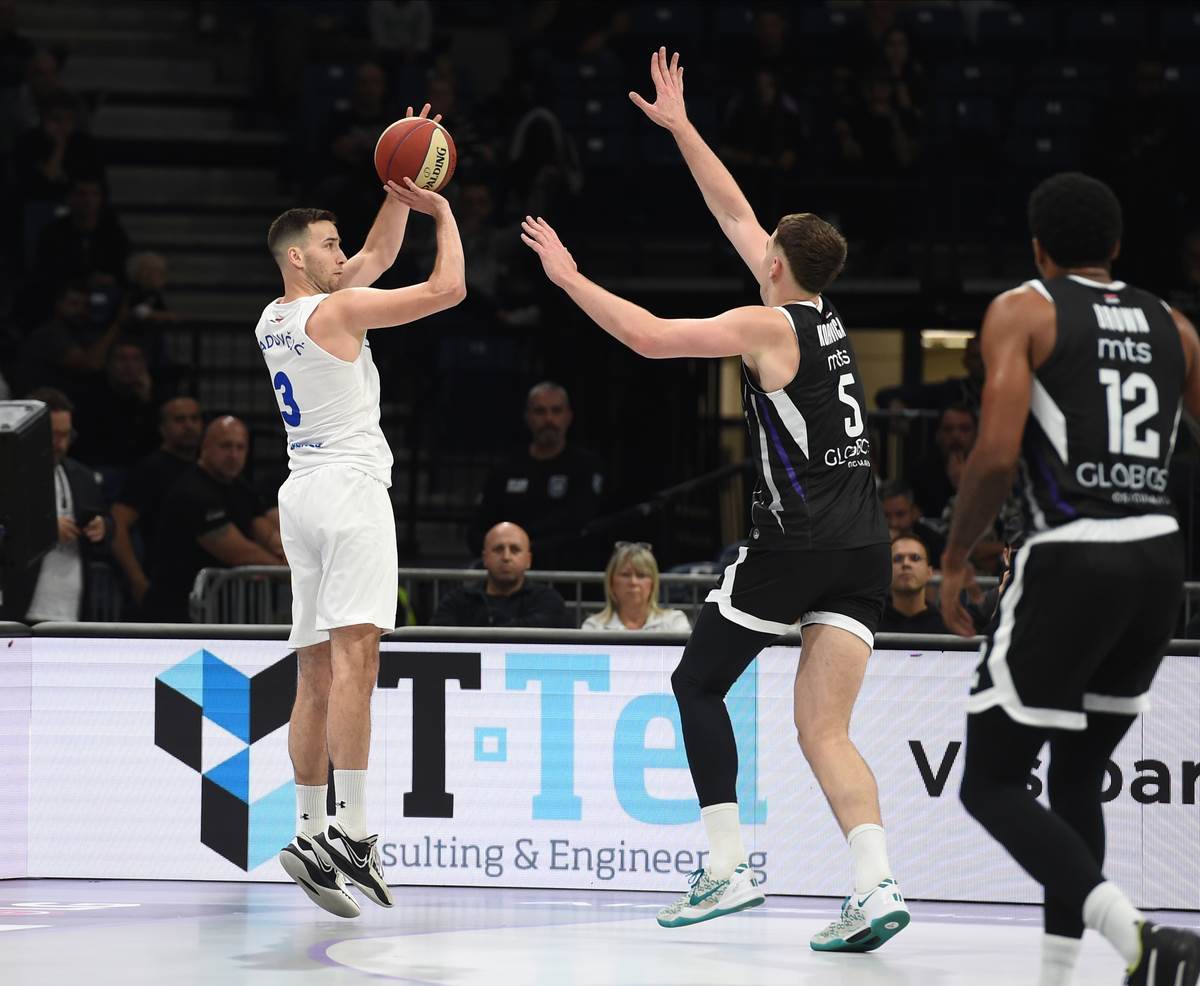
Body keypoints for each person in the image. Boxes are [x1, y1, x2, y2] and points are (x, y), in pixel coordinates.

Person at [521, 48, 906, 949]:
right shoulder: (822, 315)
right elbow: (731, 207)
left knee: (696, 684)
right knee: (825, 732)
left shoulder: (764, 323)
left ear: (775, 262)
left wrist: (571, 279)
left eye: (762, 241)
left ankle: (727, 870)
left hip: (800, 539)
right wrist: (681, 126)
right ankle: (876, 884)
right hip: (862, 548)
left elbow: (652, 339)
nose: (752, 239)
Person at [940, 172, 1200, 986]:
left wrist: (954, 558)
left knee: (987, 780)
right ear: (1117, 248)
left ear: (1038, 250)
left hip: (1073, 552)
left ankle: (1137, 935)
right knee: (1078, 774)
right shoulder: (1176, 327)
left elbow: (994, 452)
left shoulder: (1026, 308)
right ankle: (1059, 972)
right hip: (1159, 556)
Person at [262, 103, 466, 921]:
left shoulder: (274, 318)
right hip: (347, 491)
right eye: (329, 245)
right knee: (359, 661)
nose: (343, 254)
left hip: (298, 494)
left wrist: (398, 186)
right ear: (295, 256)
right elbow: (447, 288)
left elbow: (378, 252)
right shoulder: (337, 311)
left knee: (313, 672)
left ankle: (309, 831)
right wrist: (443, 210)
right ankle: (353, 828)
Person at [141, 415, 284, 623]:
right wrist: (287, 571)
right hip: (179, 614)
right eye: (226, 446)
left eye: (240, 447)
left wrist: (283, 551)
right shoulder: (192, 491)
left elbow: (264, 530)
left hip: (220, 613)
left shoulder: (240, 488)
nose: (234, 455)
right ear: (205, 447)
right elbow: (241, 554)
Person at [470, 381, 606, 571]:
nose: (549, 419)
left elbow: (577, 520)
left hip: (565, 572)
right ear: (528, 417)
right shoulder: (506, 468)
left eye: (556, 411)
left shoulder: (585, 465)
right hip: (509, 574)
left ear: (569, 416)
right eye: (540, 411)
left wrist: (522, 541)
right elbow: (479, 527)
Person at [22, 387, 109, 623]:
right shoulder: (9, 474)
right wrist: (46, 527)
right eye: (53, 435)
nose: (60, 444)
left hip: (72, 608)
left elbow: (107, 523)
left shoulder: (81, 475)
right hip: (21, 607)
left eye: (66, 435)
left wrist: (102, 527)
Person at [110, 396, 203, 611]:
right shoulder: (151, 469)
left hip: (202, 588)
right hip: (163, 586)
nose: (189, 425)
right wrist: (136, 578)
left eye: (194, 418)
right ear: (163, 428)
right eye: (180, 419)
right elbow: (117, 520)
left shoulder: (208, 470)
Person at [429, 521, 570, 628]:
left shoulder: (547, 600)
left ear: (528, 560)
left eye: (515, 550)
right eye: (498, 549)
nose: (506, 557)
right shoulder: (457, 601)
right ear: (484, 558)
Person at [581, 541, 690, 631]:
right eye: (625, 575)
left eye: (641, 575)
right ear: (611, 582)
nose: (633, 582)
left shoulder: (675, 622)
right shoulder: (593, 627)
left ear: (653, 583)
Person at [906, 401, 977, 520]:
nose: (956, 435)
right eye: (948, 429)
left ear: (976, 435)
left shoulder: (988, 472)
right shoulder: (920, 472)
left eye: (964, 429)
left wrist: (962, 485)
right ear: (937, 435)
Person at [878, 535, 947, 634]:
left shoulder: (946, 626)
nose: (906, 563)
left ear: (929, 572)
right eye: (897, 559)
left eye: (915, 558)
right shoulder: (871, 624)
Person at [879, 478, 946, 563]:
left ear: (914, 512)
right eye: (886, 516)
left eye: (900, 514)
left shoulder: (933, 542)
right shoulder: (867, 541)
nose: (894, 523)